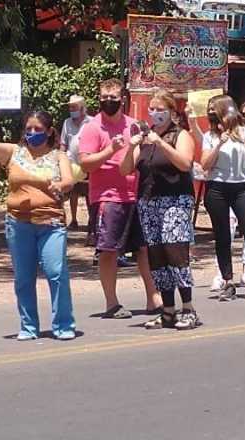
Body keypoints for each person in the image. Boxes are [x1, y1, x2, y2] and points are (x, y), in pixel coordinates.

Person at [0, 104, 77, 341]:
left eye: (38, 128)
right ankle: (28, 326)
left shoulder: (58, 156)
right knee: (23, 278)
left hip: (51, 222)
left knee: (56, 273)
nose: (32, 132)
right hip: (18, 223)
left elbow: (69, 181)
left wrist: (61, 185)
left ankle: (63, 324)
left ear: (49, 131)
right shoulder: (14, 152)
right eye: (28, 128)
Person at [79, 78, 163, 318]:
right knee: (109, 250)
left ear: (123, 99)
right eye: (104, 99)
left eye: (113, 98)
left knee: (143, 248)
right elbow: (85, 163)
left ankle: (152, 297)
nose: (108, 102)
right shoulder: (93, 128)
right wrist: (110, 151)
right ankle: (111, 302)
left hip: (135, 195)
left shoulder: (133, 125)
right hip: (107, 197)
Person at [120, 88, 200, 330]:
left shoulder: (181, 135)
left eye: (160, 109)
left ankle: (188, 308)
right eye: (152, 109)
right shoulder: (146, 137)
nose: (155, 113)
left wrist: (161, 144)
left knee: (175, 252)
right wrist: (130, 146)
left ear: (171, 112)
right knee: (157, 256)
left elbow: (185, 164)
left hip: (175, 201)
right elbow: (125, 170)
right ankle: (167, 310)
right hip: (149, 201)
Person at [188, 99, 245, 289]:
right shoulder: (211, 136)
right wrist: (219, 144)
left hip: (241, 187)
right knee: (223, 235)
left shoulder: (244, 132)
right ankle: (227, 279)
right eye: (210, 111)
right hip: (217, 187)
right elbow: (205, 164)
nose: (211, 114)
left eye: (214, 110)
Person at [60, 94, 93, 230]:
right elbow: (63, 143)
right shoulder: (67, 122)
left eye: (74, 107)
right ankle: (73, 220)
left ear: (82, 108)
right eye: (70, 107)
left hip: (88, 161)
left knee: (89, 192)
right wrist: (60, 159)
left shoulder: (91, 122)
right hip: (71, 162)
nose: (71, 109)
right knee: (72, 192)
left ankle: (92, 221)